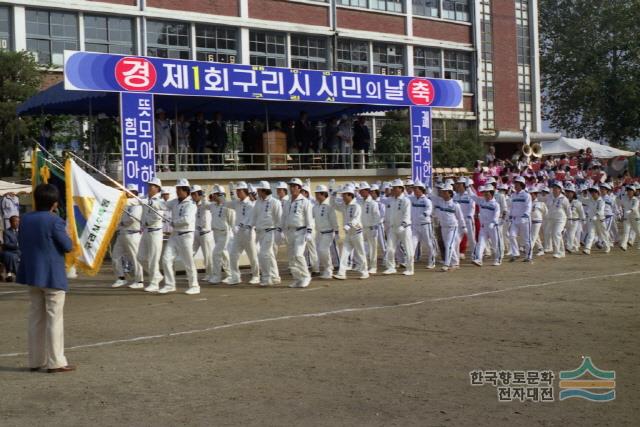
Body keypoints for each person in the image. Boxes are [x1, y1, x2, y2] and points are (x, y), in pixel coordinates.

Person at [17, 183, 74, 373]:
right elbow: (67, 246)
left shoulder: (25, 219)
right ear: (54, 204)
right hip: (52, 274)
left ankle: (35, 360)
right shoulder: (54, 220)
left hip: (32, 272)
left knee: (35, 318)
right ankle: (56, 361)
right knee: (54, 318)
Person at [160, 179, 200, 295]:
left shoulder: (191, 204)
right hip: (175, 235)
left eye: (179, 189)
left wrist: (174, 222)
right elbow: (163, 205)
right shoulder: (174, 202)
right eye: (176, 189)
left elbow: (187, 220)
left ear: (185, 190)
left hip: (186, 235)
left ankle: (194, 286)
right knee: (166, 259)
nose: (177, 191)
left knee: (188, 262)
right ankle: (170, 285)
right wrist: (151, 202)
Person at [281, 178, 314, 288]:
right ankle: (297, 278)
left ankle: (305, 276)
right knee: (291, 257)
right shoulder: (287, 201)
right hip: (290, 231)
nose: (292, 188)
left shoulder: (305, 202)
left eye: (294, 186)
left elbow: (309, 218)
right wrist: (281, 230)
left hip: (301, 231)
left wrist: (309, 232)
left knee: (298, 255)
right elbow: (284, 217)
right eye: (291, 186)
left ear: (299, 188)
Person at [225, 181, 260, 285]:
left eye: (239, 191)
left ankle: (256, 276)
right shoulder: (237, 203)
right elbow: (226, 203)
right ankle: (236, 277)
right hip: (238, 235)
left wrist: (239, 226)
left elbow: (249, 218)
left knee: (252, 256)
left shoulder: (251, 204)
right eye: (237, 191)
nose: (238, 193)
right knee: (233, 255)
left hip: (248, 234)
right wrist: (225, 194)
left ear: (245, 192)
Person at [332, 184, 369, 280]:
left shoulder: (356, 206)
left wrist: (349, 225)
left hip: (356, 233)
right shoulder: (344, 205)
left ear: (350, 195)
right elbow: (334, 205)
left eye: (344, 195)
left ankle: (365, 272)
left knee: (360, 253)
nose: (342, 197)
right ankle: (341, 273)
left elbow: (356, 218)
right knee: (344, 254)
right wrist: (332, 195)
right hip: (348, 234)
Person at [111, 184, 143, 289]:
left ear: (134, 193)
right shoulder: (125, 204)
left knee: (135, 258)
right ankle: (121, 278)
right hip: (122, 234)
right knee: (115, 256)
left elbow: (132, 219)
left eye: (129, 191)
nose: (127, 193)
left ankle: (139, 281)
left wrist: (121, 223)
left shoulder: (137, 204)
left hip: (133, 234)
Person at [252, 181, 282, 286]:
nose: (257, 191)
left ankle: (266, 277)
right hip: (260, 232)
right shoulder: (258, 202)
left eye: (258, 190)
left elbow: (279, 218)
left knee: (263, 254)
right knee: (269, 255)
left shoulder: (275, 202)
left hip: (270, 232)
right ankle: (275, 277)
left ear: (263, 190)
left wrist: (279, 232)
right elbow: (254, 216)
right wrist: (250, 226)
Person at [138, 178, 165, 293]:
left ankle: (154, 283)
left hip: (155, 231)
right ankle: (157, 275)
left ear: (157, 188)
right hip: (146, 231)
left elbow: (158, 216)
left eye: (151, 186)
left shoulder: (160, 201)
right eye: (148, 185)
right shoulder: (145, 199)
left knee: (153, 259)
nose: (149, 187)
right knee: (141, 257)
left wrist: (148, 222)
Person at [382, 179, 414, 275]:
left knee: (408, 248)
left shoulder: (406, 200)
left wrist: (403, 225)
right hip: (393, 228)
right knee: (390, 248)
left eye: (395, 188)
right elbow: (379, 199)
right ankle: (391, 267)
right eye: (393, 188)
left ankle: (410, 269)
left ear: (401, 189)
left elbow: (407, 216)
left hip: (404, 228)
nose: (393, 190)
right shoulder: (391, 200)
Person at [433, 184, 467, 272]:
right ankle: (455, 263)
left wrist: (463, 227)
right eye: (442, 192)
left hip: (453, 227)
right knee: (452, 246)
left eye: (445, 192)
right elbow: (432, 195)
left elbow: (460, 217)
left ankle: (446, 264)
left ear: (450, 193)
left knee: (449, 245)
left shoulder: (455, 205)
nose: (443, 194)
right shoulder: (440, 202)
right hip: (443, 227)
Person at [208, 185, 234, 284]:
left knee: (216, 253)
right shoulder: (212, 205)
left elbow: (231, 220)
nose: (212, 196)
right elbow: (202, 205)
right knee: (224, 253)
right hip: (216, 232)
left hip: (224, 233)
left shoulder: (227, 206)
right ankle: (230, 274)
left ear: (220, 195)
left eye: (214, 194)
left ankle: (217, 276)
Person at [471, 185, 502, 267]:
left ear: (491, 194)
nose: (485, 195)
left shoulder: (496, 204)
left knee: (496, 244)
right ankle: (479, 259)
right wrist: (468, 187)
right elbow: (473, 196)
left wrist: (493, 222)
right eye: (484, 193)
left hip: (493, 227)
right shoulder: (482, 201)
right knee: (481, 243)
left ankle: (498, 259)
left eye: (487, 193)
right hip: (483, 227)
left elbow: (497, 215)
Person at [313, 184, 339, 280]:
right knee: (320, 252)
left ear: (323, 194)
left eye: (317, 194)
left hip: (328, 232)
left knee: (323, 250)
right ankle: (327, 269)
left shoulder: (329, 205)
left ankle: (329, 270)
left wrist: (336, 231)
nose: (316, 196)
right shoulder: (315, 206)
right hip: (319, 233)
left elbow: (333, 219)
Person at [411, 180, 437, 269]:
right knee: (412, 244)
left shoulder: (426, 200)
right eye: (413, 188)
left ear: (421, 189)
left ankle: (432, 262)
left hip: (425, 225)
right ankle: (410, 262)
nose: (414, 190)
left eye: (416, 188)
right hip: (415, 226)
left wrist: (424, 215)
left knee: (429, 244)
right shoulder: (412, 199)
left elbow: (429, 209)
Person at [191, 185, 214, 282]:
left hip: (205, 233)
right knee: (189, 253)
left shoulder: (205, 204)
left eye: (194, 194)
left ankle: (210, 275)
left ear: (199, 194)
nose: (192, 196)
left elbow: (207, 204)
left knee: (207, 256)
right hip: (196, 233)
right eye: (192, 194)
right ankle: (192, 274)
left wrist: (204, 196)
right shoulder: (192, 205)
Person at [508, 176, 534, 263]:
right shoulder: (513, 195)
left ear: (522, 185)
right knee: (511, 236)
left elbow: (528, 206)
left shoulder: (526, 195)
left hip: (525, 220)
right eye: (515, 184)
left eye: (517, 184)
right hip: (515, 219)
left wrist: (525, 215)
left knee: (526, 239)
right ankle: (515, 253)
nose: (515, 185)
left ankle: (529, 256)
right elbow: (511, 207)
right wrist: (510, 215)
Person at [358, 182, 382, 274]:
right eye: (360, 191)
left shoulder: (373, 203)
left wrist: (375, 228)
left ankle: (373, 267)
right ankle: (363, 265)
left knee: (372, 249)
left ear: (367, 191)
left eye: (362, 191)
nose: (360, 192)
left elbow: (377, 216)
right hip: (361, 228)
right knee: (361, 248)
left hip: (371, 228)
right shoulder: (359, 202)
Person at [545, 182, 571, 258]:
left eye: (556, 188)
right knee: (553, 234)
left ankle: (557, 252)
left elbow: (568, 210)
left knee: (556, 233)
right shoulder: (549, 197)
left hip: (560, 219)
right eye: (553, 188)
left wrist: (569, 220)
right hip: (551, 219)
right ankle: (562, 252)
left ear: (560, 189)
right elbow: (547, 207)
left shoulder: (564, 199)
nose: (554, 189)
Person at [618, 184, 640, 251]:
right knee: (626, 232)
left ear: (633, 192)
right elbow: (620, 205)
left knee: (638, 231)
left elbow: (635, 208)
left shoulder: (636, 199)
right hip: (626, 217)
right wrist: (621, 213)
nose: (628, 192)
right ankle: (624, 245)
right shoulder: (624, 198)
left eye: (630, 191)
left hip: (635, 217)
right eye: (627, 191)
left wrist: (629, 211)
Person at [2, 215, 20, 281]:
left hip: (19, 251)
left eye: (18, 221)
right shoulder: (7, 232)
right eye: (15, 221)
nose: (17, 223)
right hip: (10, 251)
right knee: (11, 256)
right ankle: (16, 274)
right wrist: (17, 245)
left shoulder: (21, 231)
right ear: (11, 222)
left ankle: (9, 274)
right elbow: (7, 244)